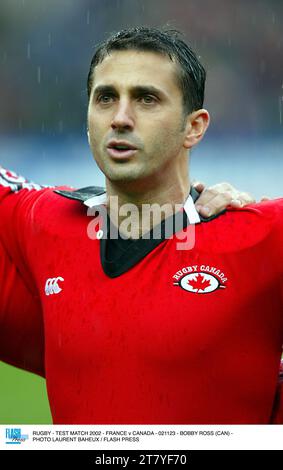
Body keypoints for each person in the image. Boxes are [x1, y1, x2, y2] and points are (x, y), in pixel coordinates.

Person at [0, 26, 282, 424]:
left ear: (194, 126)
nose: (120, 118)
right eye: (106, 98)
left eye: (146, 99)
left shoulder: (262, 236)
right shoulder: (42, 222)